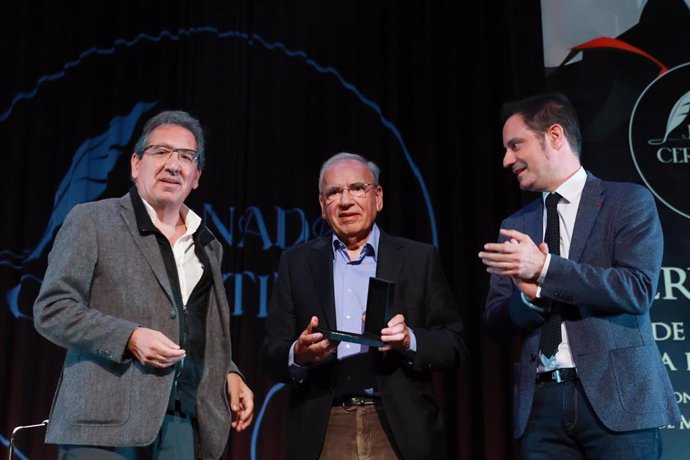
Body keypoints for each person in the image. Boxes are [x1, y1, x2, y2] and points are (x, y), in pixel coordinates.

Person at [33, 110, 254, 459]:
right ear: (136, 164)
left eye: (185, 157)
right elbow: (52, 309)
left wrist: (229, 372)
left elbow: (199, 326)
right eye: (161, 152)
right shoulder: (93, 220)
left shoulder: (209, 245)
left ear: (196, 176)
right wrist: (130, 338)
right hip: (104, 424)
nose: (173, 164)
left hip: (182, 421)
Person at [478, 92, 680, 459]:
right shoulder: (515, 225)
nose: (507, 159)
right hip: (541, 407)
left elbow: (636, 289)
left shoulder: (627, 202)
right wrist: (528, 298)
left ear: (554, 136)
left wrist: (544, 270)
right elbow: (495, 320)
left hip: (619, 401)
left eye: (515, 145)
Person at [261, 152, 467, 460]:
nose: (345, 201)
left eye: (357, 188)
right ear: (322, 205)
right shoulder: (297, 263)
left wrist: (409, 339)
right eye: (333, 193)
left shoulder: (417, 259)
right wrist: (298, 355)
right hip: (326, 428)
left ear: (378, 197)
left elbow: (453, 347)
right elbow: (271, 351)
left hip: (399, 428)